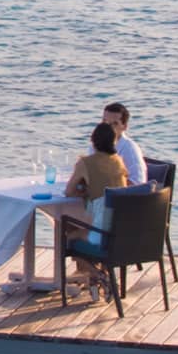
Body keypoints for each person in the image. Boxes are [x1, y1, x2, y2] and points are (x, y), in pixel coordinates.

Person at [64, 121, 129, 296]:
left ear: (93, 141)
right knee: (76, 227)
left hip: (102, 231)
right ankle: (95, 282)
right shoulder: (119, 162)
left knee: (68, 238)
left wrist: (84, 192)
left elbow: (69, 191)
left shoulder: (85, 163)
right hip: (122, 229)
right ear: (114, 142)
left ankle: (98, 275)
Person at [102, 101, 148, 185]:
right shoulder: (95, 145)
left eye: (115, 124)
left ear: (124, 127)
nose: (108, 127)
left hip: (117, 196)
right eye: (105, 122)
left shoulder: (130, 149)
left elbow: (138, 182)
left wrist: (108, 184)